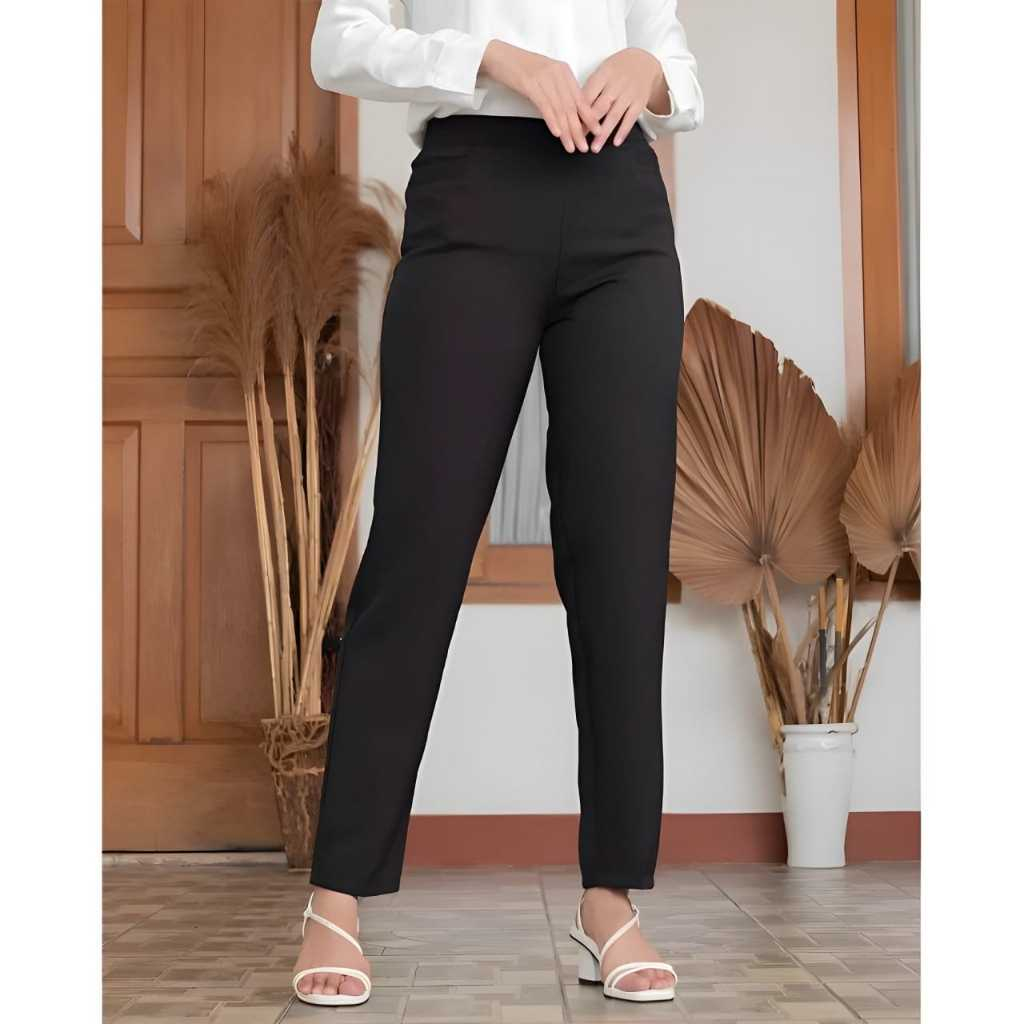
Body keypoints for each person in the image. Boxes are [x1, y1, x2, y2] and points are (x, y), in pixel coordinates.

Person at [291, 0, 704, 1008]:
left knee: (620, 559)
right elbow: (338, 42)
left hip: (621, 202)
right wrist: (493, 58)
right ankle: (336, 896)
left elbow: (674, 57)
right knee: (419, 547)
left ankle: (610, 896)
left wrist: (646, 74)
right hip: (474, 191)